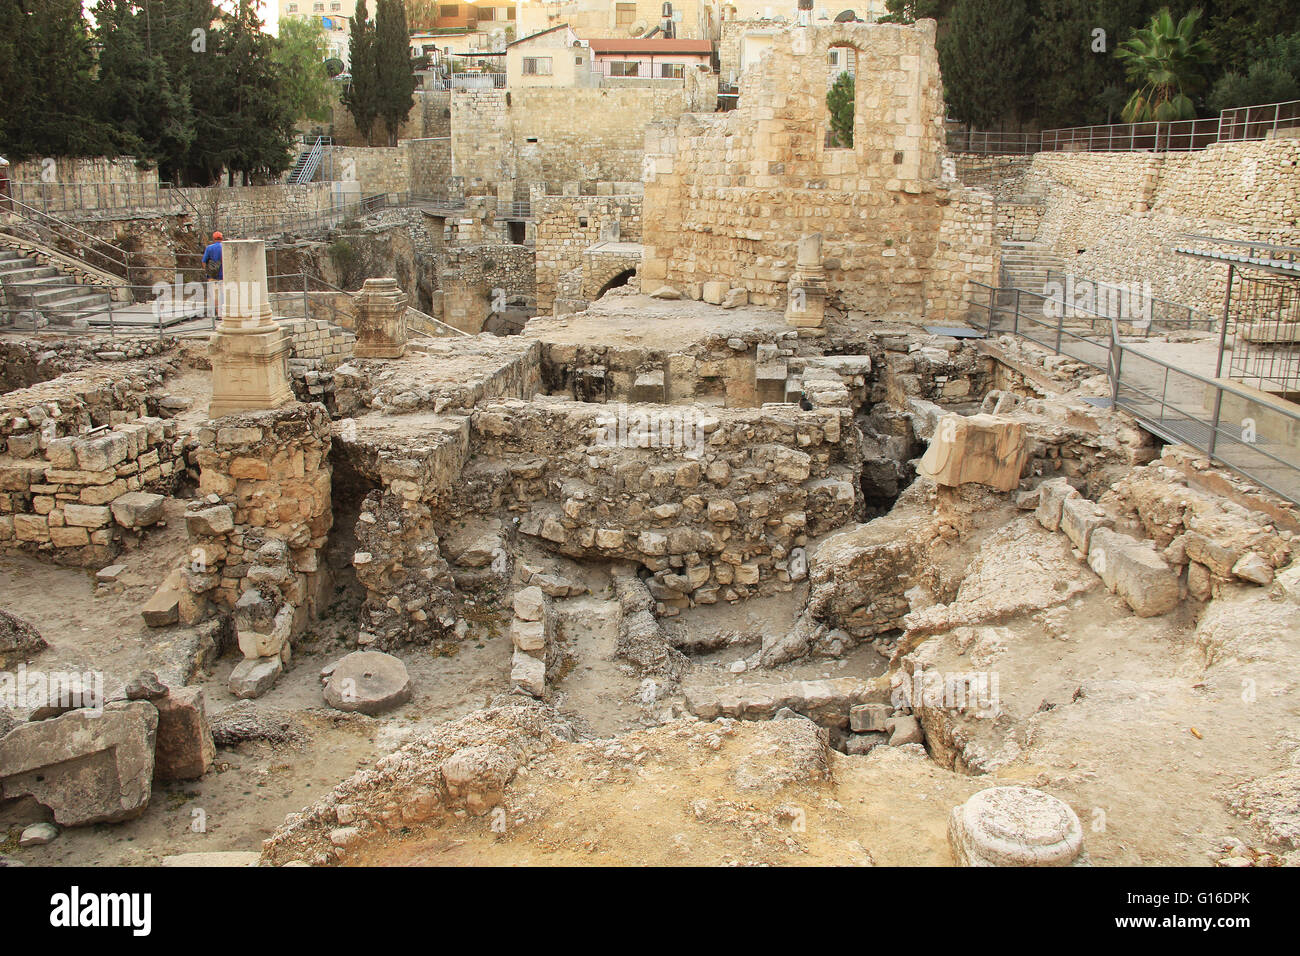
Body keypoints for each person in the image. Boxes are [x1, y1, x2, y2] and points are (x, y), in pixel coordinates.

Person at [202, 231, 223, 318]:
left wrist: (207, 271)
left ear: (213, 239)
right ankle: (224, 313)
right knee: (223, 294)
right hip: (223, 275)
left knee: (215, 295)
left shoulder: (209, 248)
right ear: (222, 238)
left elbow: (203, 261)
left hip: (212, 276)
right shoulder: (225, 247)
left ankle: (219, 314)